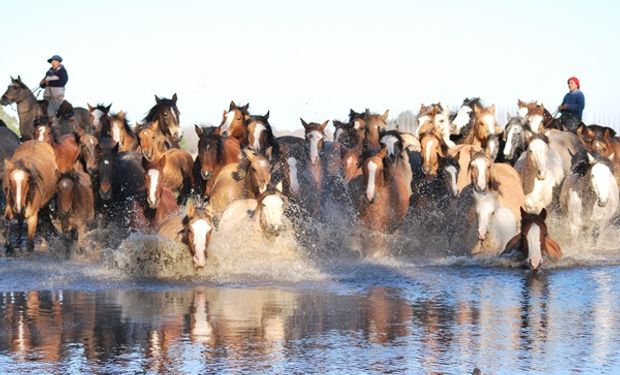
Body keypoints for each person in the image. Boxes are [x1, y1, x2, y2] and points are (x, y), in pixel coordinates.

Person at [40, 54, 68, 119]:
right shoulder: (49, 72)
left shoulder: (62, 71)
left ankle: (54, 126)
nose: (52, 63)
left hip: (56, 96)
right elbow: (43, 84)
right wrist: (42, 83)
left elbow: (63, 81)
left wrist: (50, 83)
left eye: (54, 61)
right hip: (47, 96)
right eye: (52, 61)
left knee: (50, 113)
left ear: (58, 62)